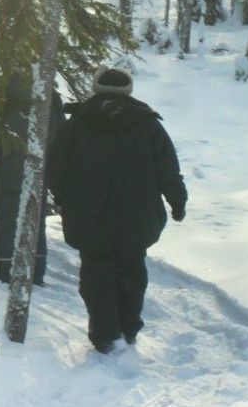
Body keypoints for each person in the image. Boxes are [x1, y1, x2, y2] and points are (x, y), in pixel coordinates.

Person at [47, 65, 188, 354]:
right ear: (129, 89)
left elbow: (55, 169)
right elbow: (168, 171)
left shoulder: (75, 124)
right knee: (132, 269)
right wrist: (177, 202)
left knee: (96, 271)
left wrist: (64, 200)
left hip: (87, 215)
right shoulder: (149, 124)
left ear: (96, 88)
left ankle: (103, 332)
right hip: (139, 217)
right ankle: (129, 328)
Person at [0, 74, 64, 285]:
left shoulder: (2, 95)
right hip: (38, 168)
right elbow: (61, 136)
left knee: (5, 217)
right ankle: (35, 271)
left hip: (5, 166)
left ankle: (4, 269)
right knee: (35, 217)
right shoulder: (50, 97)